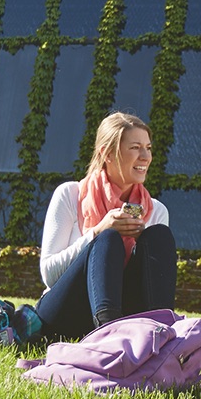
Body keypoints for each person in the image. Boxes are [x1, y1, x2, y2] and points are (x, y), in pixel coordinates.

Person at [35, 112, 176, 340]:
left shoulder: (156, 210)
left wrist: (142, 244)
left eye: (148, 148)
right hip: (65, 314)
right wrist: (98, 231)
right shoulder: (70, 194)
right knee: (108, 239)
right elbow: (49, 275)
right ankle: (107, 334)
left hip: (127, 313)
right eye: (135, 148)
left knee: (159, 236)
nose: (145, 157)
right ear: (107, 153)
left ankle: (162, 334)